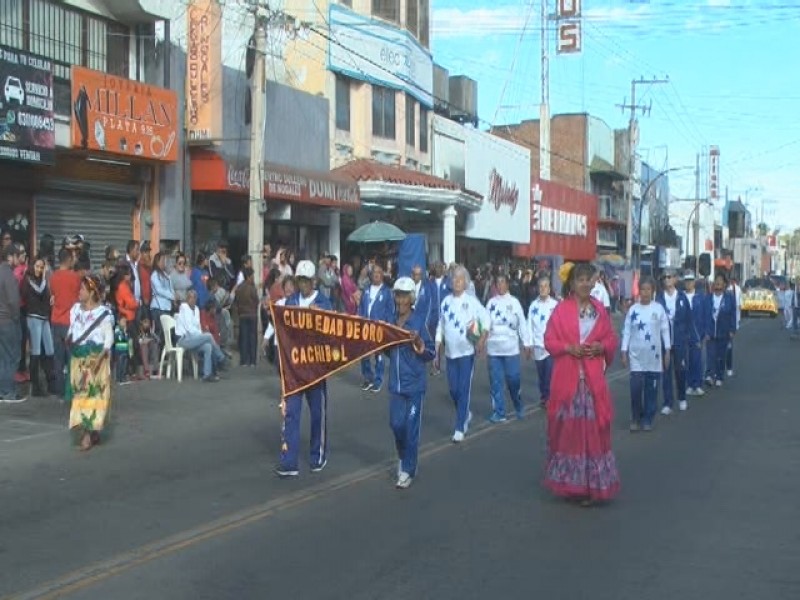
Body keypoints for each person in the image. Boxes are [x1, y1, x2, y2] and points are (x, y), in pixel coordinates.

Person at [543, 262, 620, 505]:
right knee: (568, 433)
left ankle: (592, 485)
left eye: (589, 279)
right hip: (567, 383)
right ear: (572, 284)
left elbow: (610, 339)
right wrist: (568, 348)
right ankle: (571, 483)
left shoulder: (599, 310)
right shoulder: (561, 311)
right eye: (580, 279)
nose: (585, 283)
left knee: (593, 433)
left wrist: (601, 347)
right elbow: (549, 341)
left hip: (592, 383)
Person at [276, 260, 333, 478]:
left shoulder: (324, 302)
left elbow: (331, 332)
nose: (303, 284)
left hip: (316, 368)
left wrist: (320, 317)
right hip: (294, 367)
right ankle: (289, 461)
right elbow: (282, 328)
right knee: (291, 413)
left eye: (307, 281)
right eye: (300, 280)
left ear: (314, 281)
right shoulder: (290, 301)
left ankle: (318, 455)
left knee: (318, 413)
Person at [387, 277, 436, 489]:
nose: (401, 300)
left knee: (411, 427)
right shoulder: (390, 321)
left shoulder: (418, 322)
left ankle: (408, 469)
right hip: (396, 385)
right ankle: (403, 455)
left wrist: (418, 343)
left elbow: (431, 352)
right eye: (398, 295)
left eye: (405, 296)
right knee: (396, 425)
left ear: (411, 298)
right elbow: (388, 351)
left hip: (415, 385)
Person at [435, 265, 489, 443]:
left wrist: (482, 337)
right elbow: (440, 326)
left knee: (464, 389)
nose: (457, 281)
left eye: (460, 279)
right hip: (450, 354)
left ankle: (460, 427)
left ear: (465, 282)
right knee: (453, 390)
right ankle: (465, 412)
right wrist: (437, 347)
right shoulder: (445, 302)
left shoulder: (471, 301)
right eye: (454, 279)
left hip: (466, 353)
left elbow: (485, 317)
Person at [67, 275, 114, 451]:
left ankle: (88, 434)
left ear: (92, 292)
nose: (79, 292)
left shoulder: (103, 314)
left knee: (94, 398)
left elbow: (108, 338)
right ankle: (91, 431)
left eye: (82, 290)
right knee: (80, 397)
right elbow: (72, 333)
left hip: (96, 360)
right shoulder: (75, 311)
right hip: (78, 360)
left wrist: (100, 357)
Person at [622, 277, 670, 432]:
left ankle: (647, 419)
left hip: (654, 358)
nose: (645, 292)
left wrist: (667, 350)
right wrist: (624, 351)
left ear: (653, 291)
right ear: (639, 291)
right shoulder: (633, 310)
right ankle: (636, 418)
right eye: (643, 289)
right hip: (636, 357)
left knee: (651, 390)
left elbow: (665, 330)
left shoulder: (658, 309)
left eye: (648, 289)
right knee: (635, 388)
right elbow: (627, 331)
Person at [485, 273, 532, 423]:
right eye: (497, 282)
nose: (500, 285)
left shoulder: (515, 303)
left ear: (507, 284)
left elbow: (522, 324)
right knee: (496, 382)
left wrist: (526, 343)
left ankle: (518, 404)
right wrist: (479, 341)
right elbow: (485, 324)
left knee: (513, 380)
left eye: (502, 282)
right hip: (494, 350)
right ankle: (499, 412)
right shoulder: (490, 303)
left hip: (511, 349)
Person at [656, 270, 693, 414]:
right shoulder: (659, 298)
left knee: (680, 370)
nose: (667, 280)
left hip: (679, 340)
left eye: (669, 277)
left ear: (675, 279)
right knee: (666, 371)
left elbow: (689, 320)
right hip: (664, 341)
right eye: (664, 277)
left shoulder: (682, 297)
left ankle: (682, 398)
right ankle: (667, 402)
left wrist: (689, 337)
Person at [174, 290, 227, 383]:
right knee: (208, 336)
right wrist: (202, 336)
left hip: (193, 338)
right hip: (183, 339)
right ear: (187, 299)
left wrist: (200, 335)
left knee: (208, 346)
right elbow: (189, 328)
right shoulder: (184, 307)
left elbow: (198, 326)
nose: (192, 300)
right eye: (190, 297)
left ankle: (207, 375)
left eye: (194, 297)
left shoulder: (197, 309)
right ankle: (221, 357)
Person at [21, 256, 55, 397]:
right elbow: (37, 291)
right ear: (32, 266)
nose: (40, 269)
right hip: (34, 318)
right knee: (35, 351)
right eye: (37, 266)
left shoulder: (43, 281)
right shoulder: (27, 280)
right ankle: (36, 386)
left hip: (44, 317)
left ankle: (51, 382)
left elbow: (45, 294)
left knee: (49, 349)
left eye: (41, 267)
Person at [358, 263, 394, 393]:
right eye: (374, 273)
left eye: (379, 272)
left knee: (379, 354)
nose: (377, 275)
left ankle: (378, 380)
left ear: (382, 275)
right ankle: (368, 378)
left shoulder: (387, 292)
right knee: (364, 354)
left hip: (379, 328)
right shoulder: (366, 290)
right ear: (371, 275)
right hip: (366, 327)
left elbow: (390, 311)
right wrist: (359, 321)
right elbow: (361, 308)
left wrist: (388, 326)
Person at [528, 275, 559, 408]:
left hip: (551, 347)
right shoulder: (533, 305)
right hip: (538, 345)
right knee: (541, 375)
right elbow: (528, 325)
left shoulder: (555, 305)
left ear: (549, 288)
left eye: (545, 286)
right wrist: (528, 343)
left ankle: (549, 398)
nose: (543, 289)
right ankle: (544, 395)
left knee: (549, 374)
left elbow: (561, 325)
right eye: (540, 286)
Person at [704, 272, 737, 387]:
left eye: (720, 281)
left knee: (721, 356)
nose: (718, 283)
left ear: (724, 284)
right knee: (710, 355)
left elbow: (733, 314)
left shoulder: (729, 298)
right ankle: (709, 375)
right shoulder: (708, 298)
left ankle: (719, 376)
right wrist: (705, 331)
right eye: (716, 280)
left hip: (724, 331)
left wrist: (732, 329)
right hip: (711, 332)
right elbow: (705, 315)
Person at [0, 244, 24, 402]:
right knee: (12, 356)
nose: (19, 259)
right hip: (8, 320)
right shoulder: (8, 275)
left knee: (2, 356)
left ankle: (3, 389)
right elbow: (14, 300)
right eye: (17, 256)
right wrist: (16, 317)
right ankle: (8, 391)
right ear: (10, 257)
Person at [683, 274, 707, 397]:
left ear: (694, 282)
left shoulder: (700, 297)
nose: (688, 283)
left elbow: (705, 315)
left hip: (697, 333)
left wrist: (705, 333)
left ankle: (697, 384)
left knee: (697, 359)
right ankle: (689, 384)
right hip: (684, 334)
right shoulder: (680, 297)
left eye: (690, 281)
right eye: (686, 281)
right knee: (686, 361)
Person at [234, 267, 259, 367]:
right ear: (248, 277)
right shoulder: (252, 288)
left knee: (244, 338)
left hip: (242, 315)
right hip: (252, 314)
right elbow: (256, 300)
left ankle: (244, 360)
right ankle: (252, 361)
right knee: (252, 338)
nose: (253, 278)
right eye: (252, 276)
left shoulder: (239, 288)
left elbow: (236, 301)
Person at [150, 251, 175, 345]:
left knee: (168, 334)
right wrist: (172, 296)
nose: (164, 262)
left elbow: (171, 287)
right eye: (162, 260)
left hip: (167, 307)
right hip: (158, 308)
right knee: (160, 333)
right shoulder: (154, 275)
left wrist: (174, 296)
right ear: (157, 262)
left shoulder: (166, 275)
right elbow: (159, 290)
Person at [726, 278, 742, 376]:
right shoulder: (718, 289)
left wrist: (736, 322)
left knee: (728, 346)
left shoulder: (737, 290)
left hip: (732, 322)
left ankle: (729, 367)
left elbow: (739, 305)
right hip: (719, 323)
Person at [113, 316, 130, 384]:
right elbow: (119, 338)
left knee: (124, 364)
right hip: (119, 349)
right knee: (119, 364)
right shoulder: (117, 329)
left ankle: (123, 378)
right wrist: (124, 333)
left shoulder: (125, 330)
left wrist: (125, 333)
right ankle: (118, 378)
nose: (124, 323)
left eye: (125, 322)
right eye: (123, 321)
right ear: (118, 322)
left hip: (125, 349)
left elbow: (127, 340)